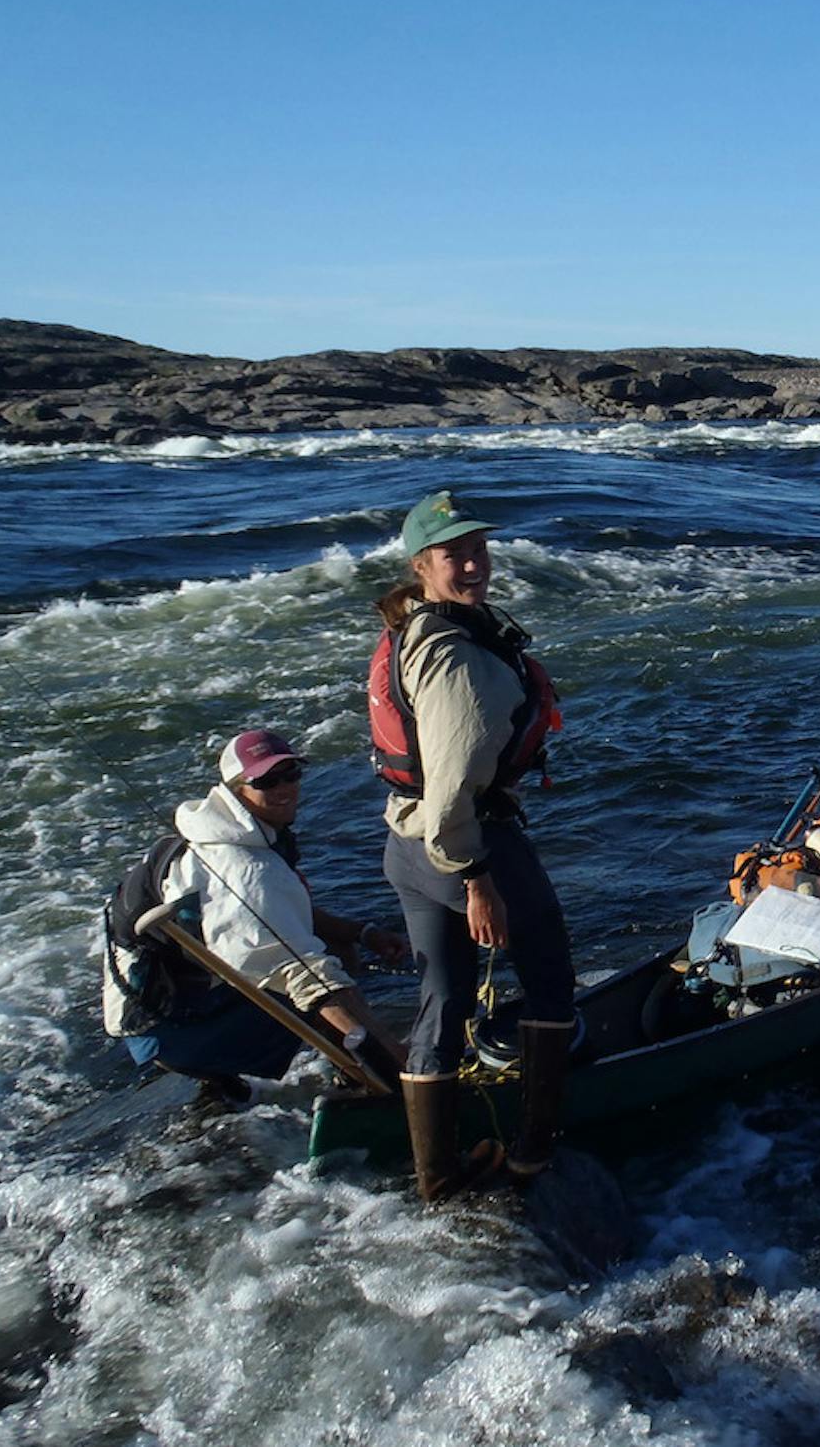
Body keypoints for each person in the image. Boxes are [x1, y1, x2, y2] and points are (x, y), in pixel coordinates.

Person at [371, 489, 574, 1200]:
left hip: (405, 842)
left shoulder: (415, 630)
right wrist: (478, 880)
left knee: (445, 998)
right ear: (422, 565)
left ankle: (437, 1177)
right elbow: (454, 787)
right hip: (467, 845)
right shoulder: (455, 657)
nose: (473, 564)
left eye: (479, 550)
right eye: (455, 554)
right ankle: (532, 1152)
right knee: (550, 981)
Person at [115, 730, 408, 1101]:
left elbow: (278, 914)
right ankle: (367, 1080)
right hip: (164, 1032)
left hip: (167, 1004)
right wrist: (394, 1057)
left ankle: (222, 1084)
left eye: (291, 774)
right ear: (238, 790)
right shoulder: (242, 867)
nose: (285, 787)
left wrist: (362, 932)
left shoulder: (230, 830)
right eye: (267, 780)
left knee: (337, 948)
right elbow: (304, 974)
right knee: (323, 980)